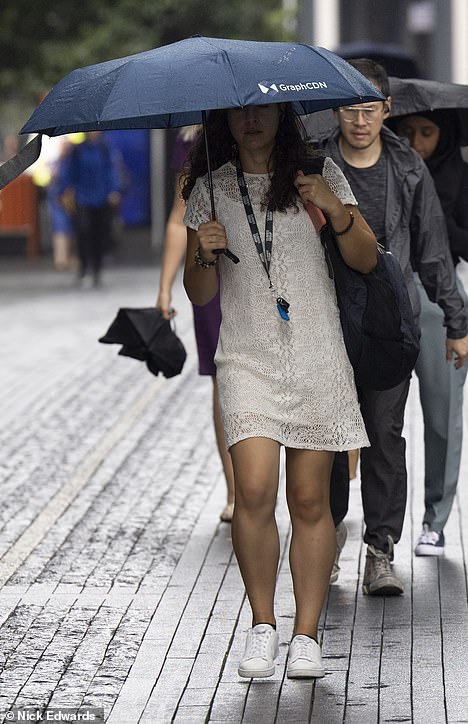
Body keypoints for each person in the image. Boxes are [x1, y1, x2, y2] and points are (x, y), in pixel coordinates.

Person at [182, 102, 376, 679]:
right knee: (255, 489)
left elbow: (364, 258)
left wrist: (332, 207)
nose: (251, 122)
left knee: (312, 500)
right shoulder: (210, 188)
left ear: (281, 114)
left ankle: (307, 635)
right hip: (246, 355)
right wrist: (203, 250)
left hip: (316, 351)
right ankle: (263, 626)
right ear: (223, 122)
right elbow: (198, 294)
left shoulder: (318, 173)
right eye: (239, 114)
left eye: (262, 111)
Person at [319, 59, 468, 595]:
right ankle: (329, 537)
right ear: (338, 111)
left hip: (390, 321)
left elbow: (433, 248)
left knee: (384, 434)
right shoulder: (316, 165)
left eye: (370, 109)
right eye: (350, 109)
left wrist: (457, 321)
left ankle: (380, 549)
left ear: (387, 110)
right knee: (332, 438)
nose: (360, 121)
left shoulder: (408, 168)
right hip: (328, 319)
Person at [391, 109, 468, 555]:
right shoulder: (390, 168)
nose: (417, 141)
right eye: (408, 132)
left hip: (442, 300)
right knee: (381, 422)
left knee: (443, 417)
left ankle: (435, 521)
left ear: (444, 134)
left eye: (427, 132)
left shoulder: (458, 176)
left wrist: (434, 218)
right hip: (391, 294)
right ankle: (380, 531)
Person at [156, 126, 235, 522]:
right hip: (212, 271)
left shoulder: (277, 123)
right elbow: (177, 218)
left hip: (271, 265)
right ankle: (237, 491)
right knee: (226, 379)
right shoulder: (193, 138)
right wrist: (165, 289)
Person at [58, 131, 122, 287]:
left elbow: (111, 171)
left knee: (99, 234)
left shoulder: (105, 148)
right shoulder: (78, 150)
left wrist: (114, 190)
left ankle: (97, 269)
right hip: (82, 197)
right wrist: (64, 190)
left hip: (101, 198)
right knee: (83, 232)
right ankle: (84, 268)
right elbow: (69, 172)